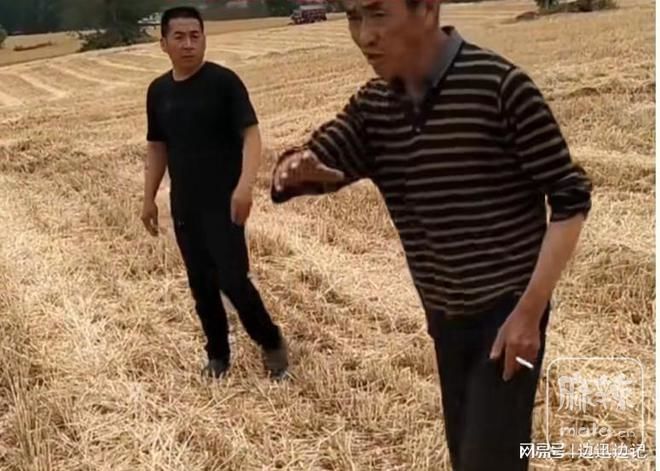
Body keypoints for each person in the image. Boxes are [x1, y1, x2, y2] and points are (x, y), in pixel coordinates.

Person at [271, 0, 592, 469]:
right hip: (444, 316)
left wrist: (529, 315)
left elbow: (570, 199)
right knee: (467, 454)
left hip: (511, 317)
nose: (364, 35)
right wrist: (294, 169)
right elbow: (318, 156)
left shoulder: (500, 88)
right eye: (353, 17)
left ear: (427, 9)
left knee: (490, 459)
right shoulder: (374, 107)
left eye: (378, 14)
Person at [141, 6, 288, 380]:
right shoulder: (158, 92)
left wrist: (245, 186)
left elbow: (251, 136)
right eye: (179, 37)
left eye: (195, 35)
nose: (188, 44)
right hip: (185, 205)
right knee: (201, 284)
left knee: (234, 280)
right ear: (163, 43)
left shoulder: (224, 83)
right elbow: (157, 147)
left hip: (224, 203)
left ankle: (271, 341)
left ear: (204, 38)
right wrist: (148, 198)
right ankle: (218, 355)